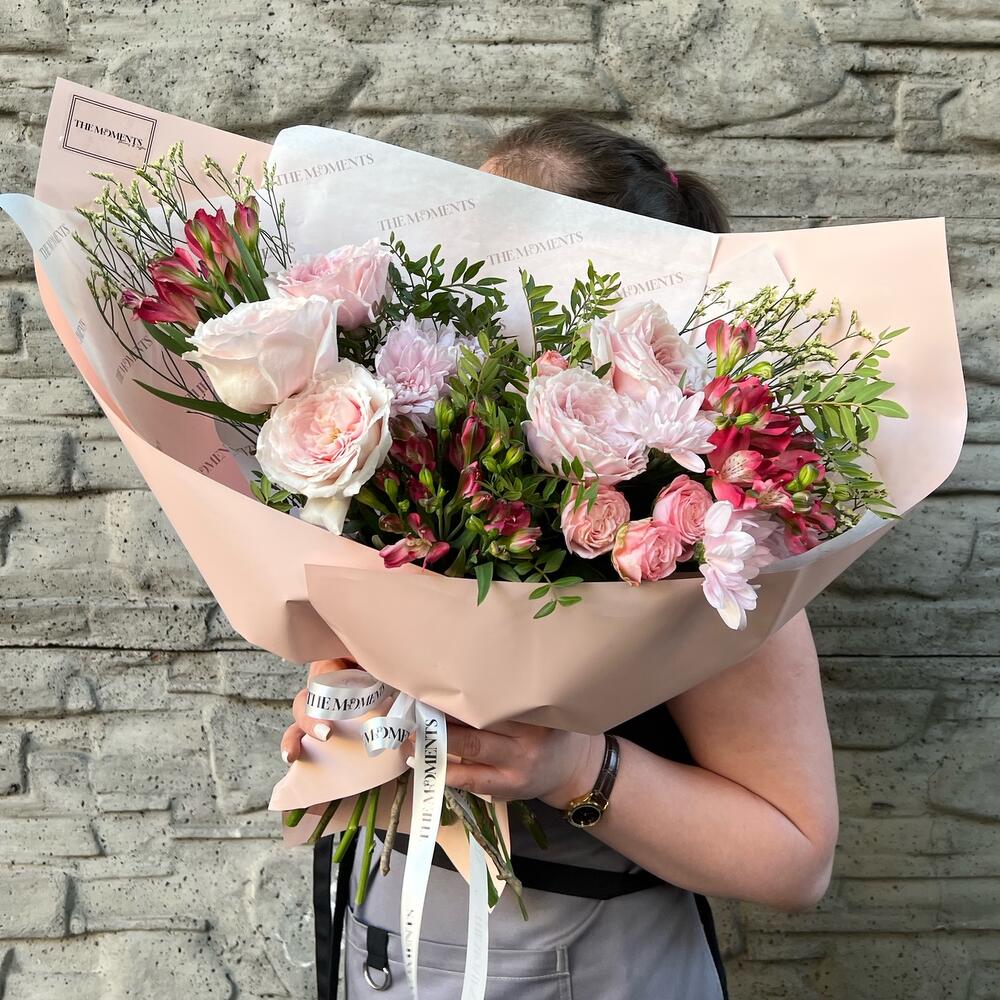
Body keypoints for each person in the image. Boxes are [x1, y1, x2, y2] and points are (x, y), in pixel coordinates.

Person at [281, 114, 839, 999]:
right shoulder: (406, 459)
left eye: (496, 263)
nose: (457, 294)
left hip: (589, 961)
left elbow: (795, 858)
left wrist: (577, 768)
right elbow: (356, 705)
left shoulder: (699, 520)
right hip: (383, 942)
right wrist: (342, 730)